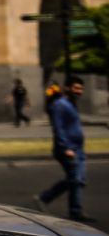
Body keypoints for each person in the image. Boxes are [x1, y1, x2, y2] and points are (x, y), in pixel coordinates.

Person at [32, 77, 87, 221]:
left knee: (78, 180)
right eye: (76, 88)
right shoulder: (60, 105)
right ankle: (44, 198)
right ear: (67, 88)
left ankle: (76, 212)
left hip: (78, 148)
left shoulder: (71, 103)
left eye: (81, 89)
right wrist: (65, 147)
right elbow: (58, 128)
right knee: (74, 178)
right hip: (67, 149)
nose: (79, 91)